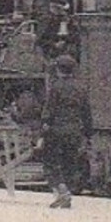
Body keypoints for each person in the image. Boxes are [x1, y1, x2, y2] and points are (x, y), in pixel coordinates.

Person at [40, 55, 92, 208]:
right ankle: (66, 192)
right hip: (75, 131)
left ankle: (62, 192)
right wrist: (88, 134)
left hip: (56, 131)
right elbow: (86, 112)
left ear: (57, 69)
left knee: (50, 163)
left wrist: (44, 127)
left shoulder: (56, 87)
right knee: (69, 163)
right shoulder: (81, 88)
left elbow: (49, 110)